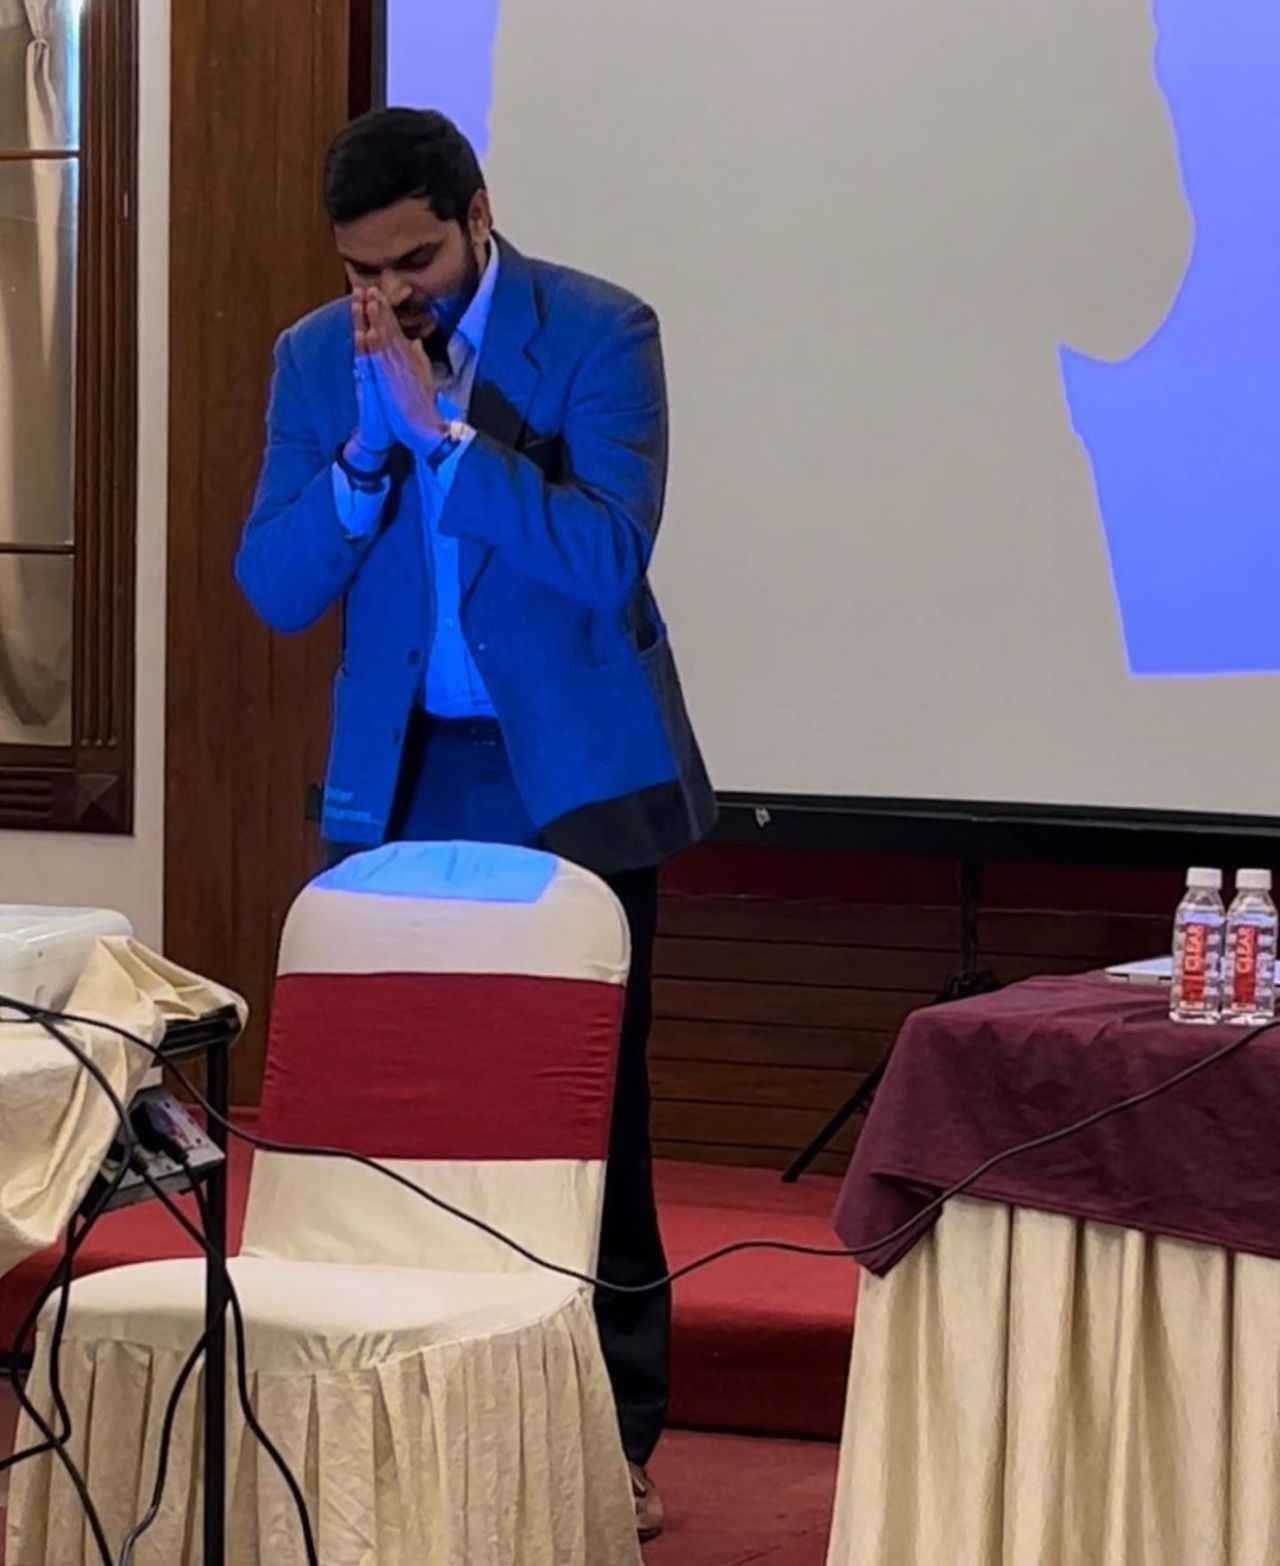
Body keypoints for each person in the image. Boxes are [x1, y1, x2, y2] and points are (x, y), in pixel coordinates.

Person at [235, 106, 716, 1540]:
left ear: (477, 217)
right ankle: (408, 1420)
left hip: (571, 779)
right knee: (405, 1105)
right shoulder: (314, 361)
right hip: (404, 777)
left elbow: (606, 553)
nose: (393, 299)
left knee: (587, 1115)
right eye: (363, 272)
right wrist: (363, 459)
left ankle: (614, 1433)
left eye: (417, 264)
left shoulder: (600, 331)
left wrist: (446, 439)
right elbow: (275, 585)